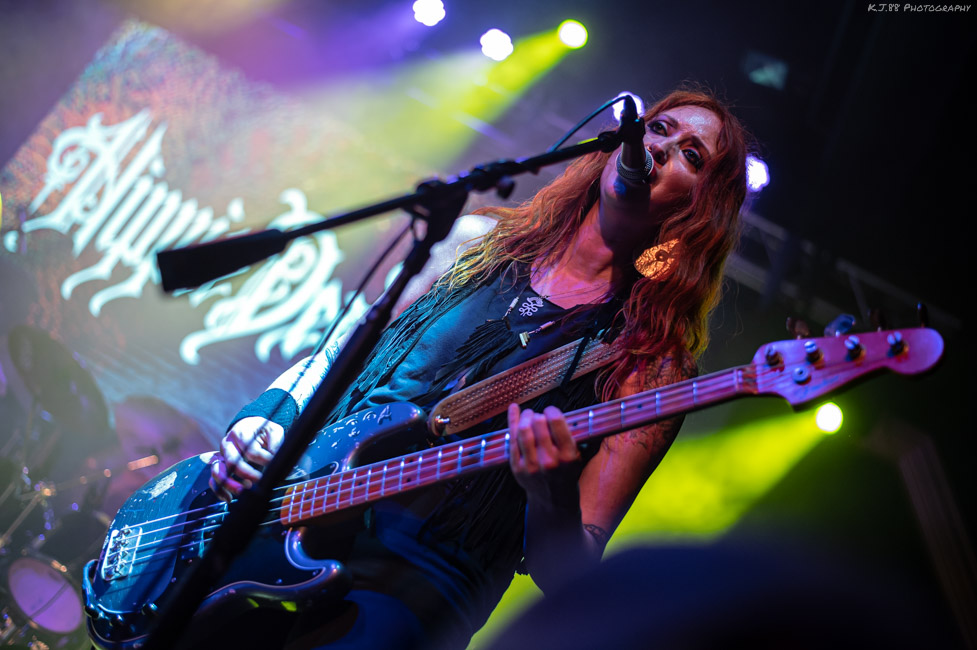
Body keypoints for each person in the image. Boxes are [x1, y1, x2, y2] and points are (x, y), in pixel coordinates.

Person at [209, 87, 749, 649]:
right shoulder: (478, 245)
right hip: (294, 509)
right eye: (659, 129)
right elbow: (341, 355)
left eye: (692, 155)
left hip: (414, 582)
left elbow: (571, 569)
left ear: (700, 207)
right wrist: (264, 419)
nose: (660, 149)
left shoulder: (649, 363)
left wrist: (551, 493)